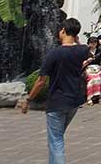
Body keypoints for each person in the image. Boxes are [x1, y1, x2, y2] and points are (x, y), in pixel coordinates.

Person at [19, 17, 90, 164]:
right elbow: (84, 51)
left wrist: (28, 99)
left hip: (57, 103)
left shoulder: (54, 54)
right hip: (74, 103)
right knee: (56, 139)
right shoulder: (82, 50)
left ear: (63, 31)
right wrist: (76, 39)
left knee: (56, 141)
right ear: (76, 34)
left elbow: (41, 81)